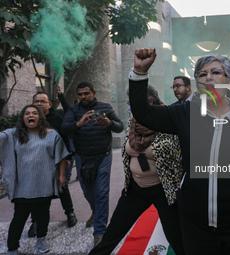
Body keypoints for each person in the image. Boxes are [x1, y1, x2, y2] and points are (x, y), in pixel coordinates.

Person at [129, 48, 230, 254]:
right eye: (202, 74)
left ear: (229, 81)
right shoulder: (184, 113)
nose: (208, 77)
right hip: (196, 226)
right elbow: (143, 113)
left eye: (216, 72)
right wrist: (139, 73)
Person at [89, 84, 185, 255]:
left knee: (177, 238)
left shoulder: (169, 121)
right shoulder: (133, 121)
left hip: (163, 191)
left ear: (148, 101)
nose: (128, 106)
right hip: (134, 189)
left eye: (130, 102)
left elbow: (177, 157)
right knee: (112, 234)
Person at [61, 82, 124, 247]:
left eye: (86, 93)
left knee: (102, 193)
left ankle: (100, 233)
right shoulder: (73, 110)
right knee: (88, 192)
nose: (83, 97)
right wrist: (79, 123)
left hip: (103, 156)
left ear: (93, 93)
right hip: (82, 158)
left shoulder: (105, 107)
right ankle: (96, 212)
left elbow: (120, 127)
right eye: (80, 94)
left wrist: (109, 123)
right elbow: (65, 128)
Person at [0, 104, 69, 255]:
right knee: (19, 217)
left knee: (43, 213)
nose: (30, 115)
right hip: (22, 185)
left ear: (40, 117)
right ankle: (12, 248)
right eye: (27, 114)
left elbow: (62, 155)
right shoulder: (14, 134)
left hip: (44, 182)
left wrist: (62, 175)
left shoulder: (51, 135)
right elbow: (1, 138)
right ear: (23, 118)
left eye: (34, 113)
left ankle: (41, 239)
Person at [25, 91, 77, 238]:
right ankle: (35, 221)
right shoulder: (29, 119)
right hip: (34, 162)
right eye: (37, 101)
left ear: (50, 104)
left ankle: (70, 213)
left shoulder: (57, 119)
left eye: (42, 101)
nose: (39, 104)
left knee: (62, 186)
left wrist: (67, 158)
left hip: (56, 160)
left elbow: (65, 138)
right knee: (36, 192)